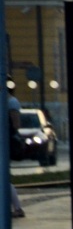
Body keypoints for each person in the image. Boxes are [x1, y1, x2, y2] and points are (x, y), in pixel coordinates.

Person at [8, 80, 24, 217]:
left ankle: (17, 208)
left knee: (4, 179)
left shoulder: (11, 102)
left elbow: (16, 125)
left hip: (5, 144)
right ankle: (16, 208)